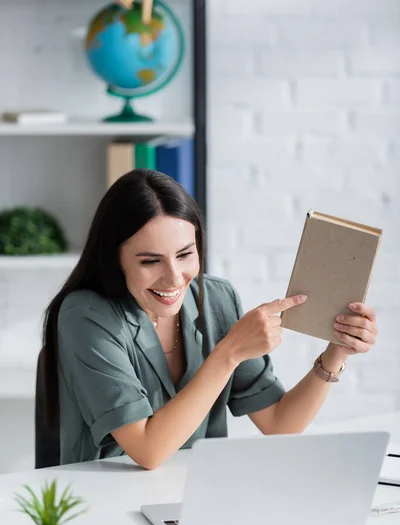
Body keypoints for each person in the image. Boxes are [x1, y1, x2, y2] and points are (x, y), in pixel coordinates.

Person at [42, 169, 378, 469]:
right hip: (104, 503)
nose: (174, 278)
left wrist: (337, 352)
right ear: (115, 260)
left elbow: (280, 424)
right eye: (150, 261)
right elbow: (148, 450)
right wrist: (230, 352)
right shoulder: (85, 316)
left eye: (186, 254)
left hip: (197, 496)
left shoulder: (217, 299)